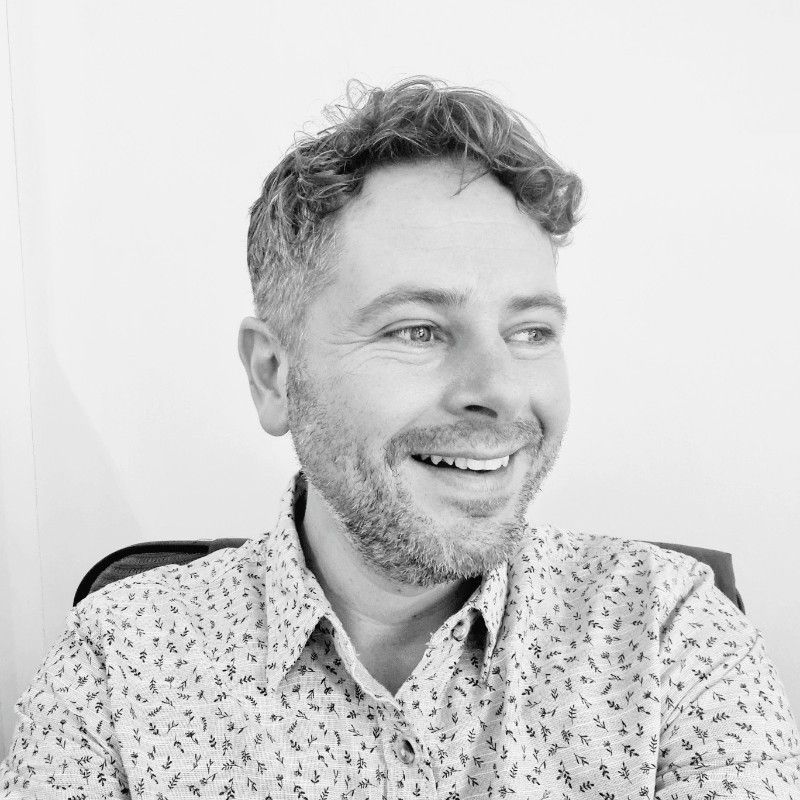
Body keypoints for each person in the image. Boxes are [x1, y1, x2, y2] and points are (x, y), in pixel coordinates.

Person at [2, 76, 798, 800]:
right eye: (417, 330)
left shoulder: (668, 636)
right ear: (274, 375)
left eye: (529, 331)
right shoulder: (121, 664)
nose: (497, 391)